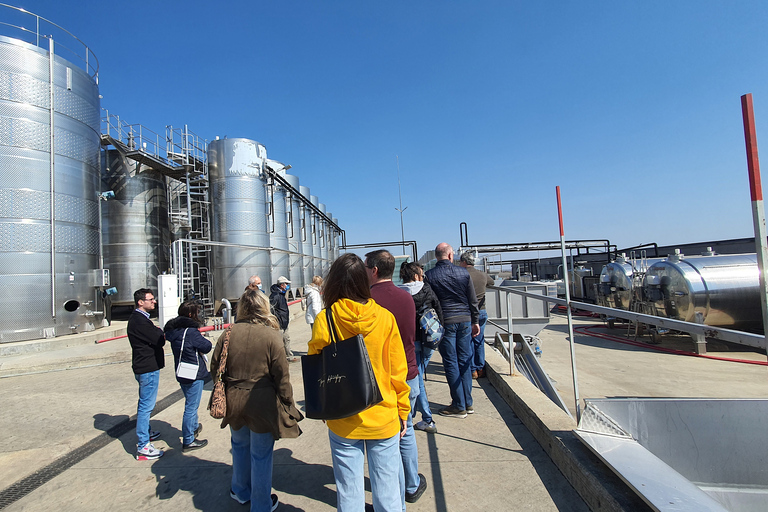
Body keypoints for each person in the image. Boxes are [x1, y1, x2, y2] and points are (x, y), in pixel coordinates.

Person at [308, 253, 410, 512]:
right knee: (387, 492)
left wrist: (323, 404)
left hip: (343, 417)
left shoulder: (325, 319)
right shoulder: (385, 318)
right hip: (383, 415)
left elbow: (316, 367)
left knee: (348, 492)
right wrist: (403, 411)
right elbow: (398, 371)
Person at [210, 289, 303, 512]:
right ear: (264, 306)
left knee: (239, 446)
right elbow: (282, 375)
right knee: (261, 455)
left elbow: (215, 367)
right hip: (261, 401)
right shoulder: (272, 336)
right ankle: (261, 504)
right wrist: (287, 401)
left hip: (233, 399)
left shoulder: (228, 333)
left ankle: (240, 491)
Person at [364, 250, 426, 506]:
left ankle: (395, 494)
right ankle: (411, 484)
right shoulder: (406, 298)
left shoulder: (366, 300)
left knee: (387, 440)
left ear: (375, 270)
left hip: (378, 377)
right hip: (409, 373)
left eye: (366, 267)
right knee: (406, 429)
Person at [424, 243, 480, 419]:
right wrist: (475, 321)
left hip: (445, 321)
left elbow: (429, 302)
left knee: (450, 362)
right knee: (465, 360)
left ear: (436, 256)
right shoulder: (463, 273)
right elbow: (472, 299)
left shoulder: (430, 276)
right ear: (450, 256)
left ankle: (458, 405)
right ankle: (468, 403)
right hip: (464, 320)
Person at [398, 261, 443, 434]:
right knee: (418, 377)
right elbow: (438, 310)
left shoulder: (400, 293)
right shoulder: (426, 289)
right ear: (417, 276)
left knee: (416, 377)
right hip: (429, 338)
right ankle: (426, 418)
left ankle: (421, 415)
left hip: (410, 341)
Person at [164, 300, 211, 452]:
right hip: (194, 373)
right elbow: (206, 346)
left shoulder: (174, 331)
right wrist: (201, 337)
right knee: (191, 407)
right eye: (197, 311)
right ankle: (189, 439)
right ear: (191, 314)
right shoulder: (190, 332)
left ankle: (194, 426)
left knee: (190, 402)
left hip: (181, 371)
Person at [127, 288, 166, 460]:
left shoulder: (141, 319)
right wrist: (159, 332)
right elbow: (159, 339)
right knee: (146, 406)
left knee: (146, 404)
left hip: (146, 366)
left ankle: (147, 433)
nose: (154, 302)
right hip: (147, 368)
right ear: (140, 302)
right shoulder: (140, 322)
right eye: (150, 299)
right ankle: (143, 446)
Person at [460, 251, 495, 379]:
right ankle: (480, 367)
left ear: (464, 262)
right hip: (482, 311)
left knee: (468, 340)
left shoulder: (462, 275)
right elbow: (492, 283)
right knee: (479, 340)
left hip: (467, 312)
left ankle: (472, 369)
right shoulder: (482, 275)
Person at [269, 276, 297, 362]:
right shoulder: (275, 295)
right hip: (279, 322)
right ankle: (280, 359)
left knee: (286, 339)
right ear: (282, 285)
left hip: (284, 322)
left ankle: (289, 356)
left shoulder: (281, 294)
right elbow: (271, 309)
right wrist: (278, 319)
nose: (287, 286)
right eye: (286, 284)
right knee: (280, 342)